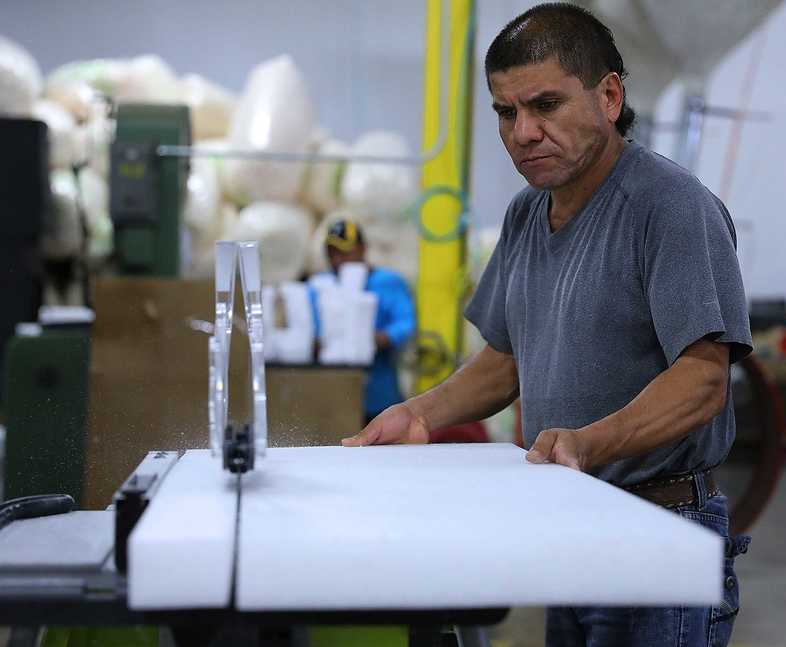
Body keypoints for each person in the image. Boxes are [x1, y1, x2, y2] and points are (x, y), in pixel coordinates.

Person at [341, 3, 753, 646]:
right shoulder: (527, 214)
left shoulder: (670, 207)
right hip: (572, 521)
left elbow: (703, 383)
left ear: (609, 95)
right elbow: (505, 361)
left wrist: (588, 443)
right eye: (507, 112)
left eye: (546, 106)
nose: (523, 132)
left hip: (660, 533)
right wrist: (418, 413)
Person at [312, 219, 415, 424]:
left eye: (345, 252)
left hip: (378, 389)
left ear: (363, 249)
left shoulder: (387, 282)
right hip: (332, 390)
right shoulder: (321, 285)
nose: (338, 260)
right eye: (332, 254)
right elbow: (312, 324)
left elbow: (406, 322)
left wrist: (382, 338)